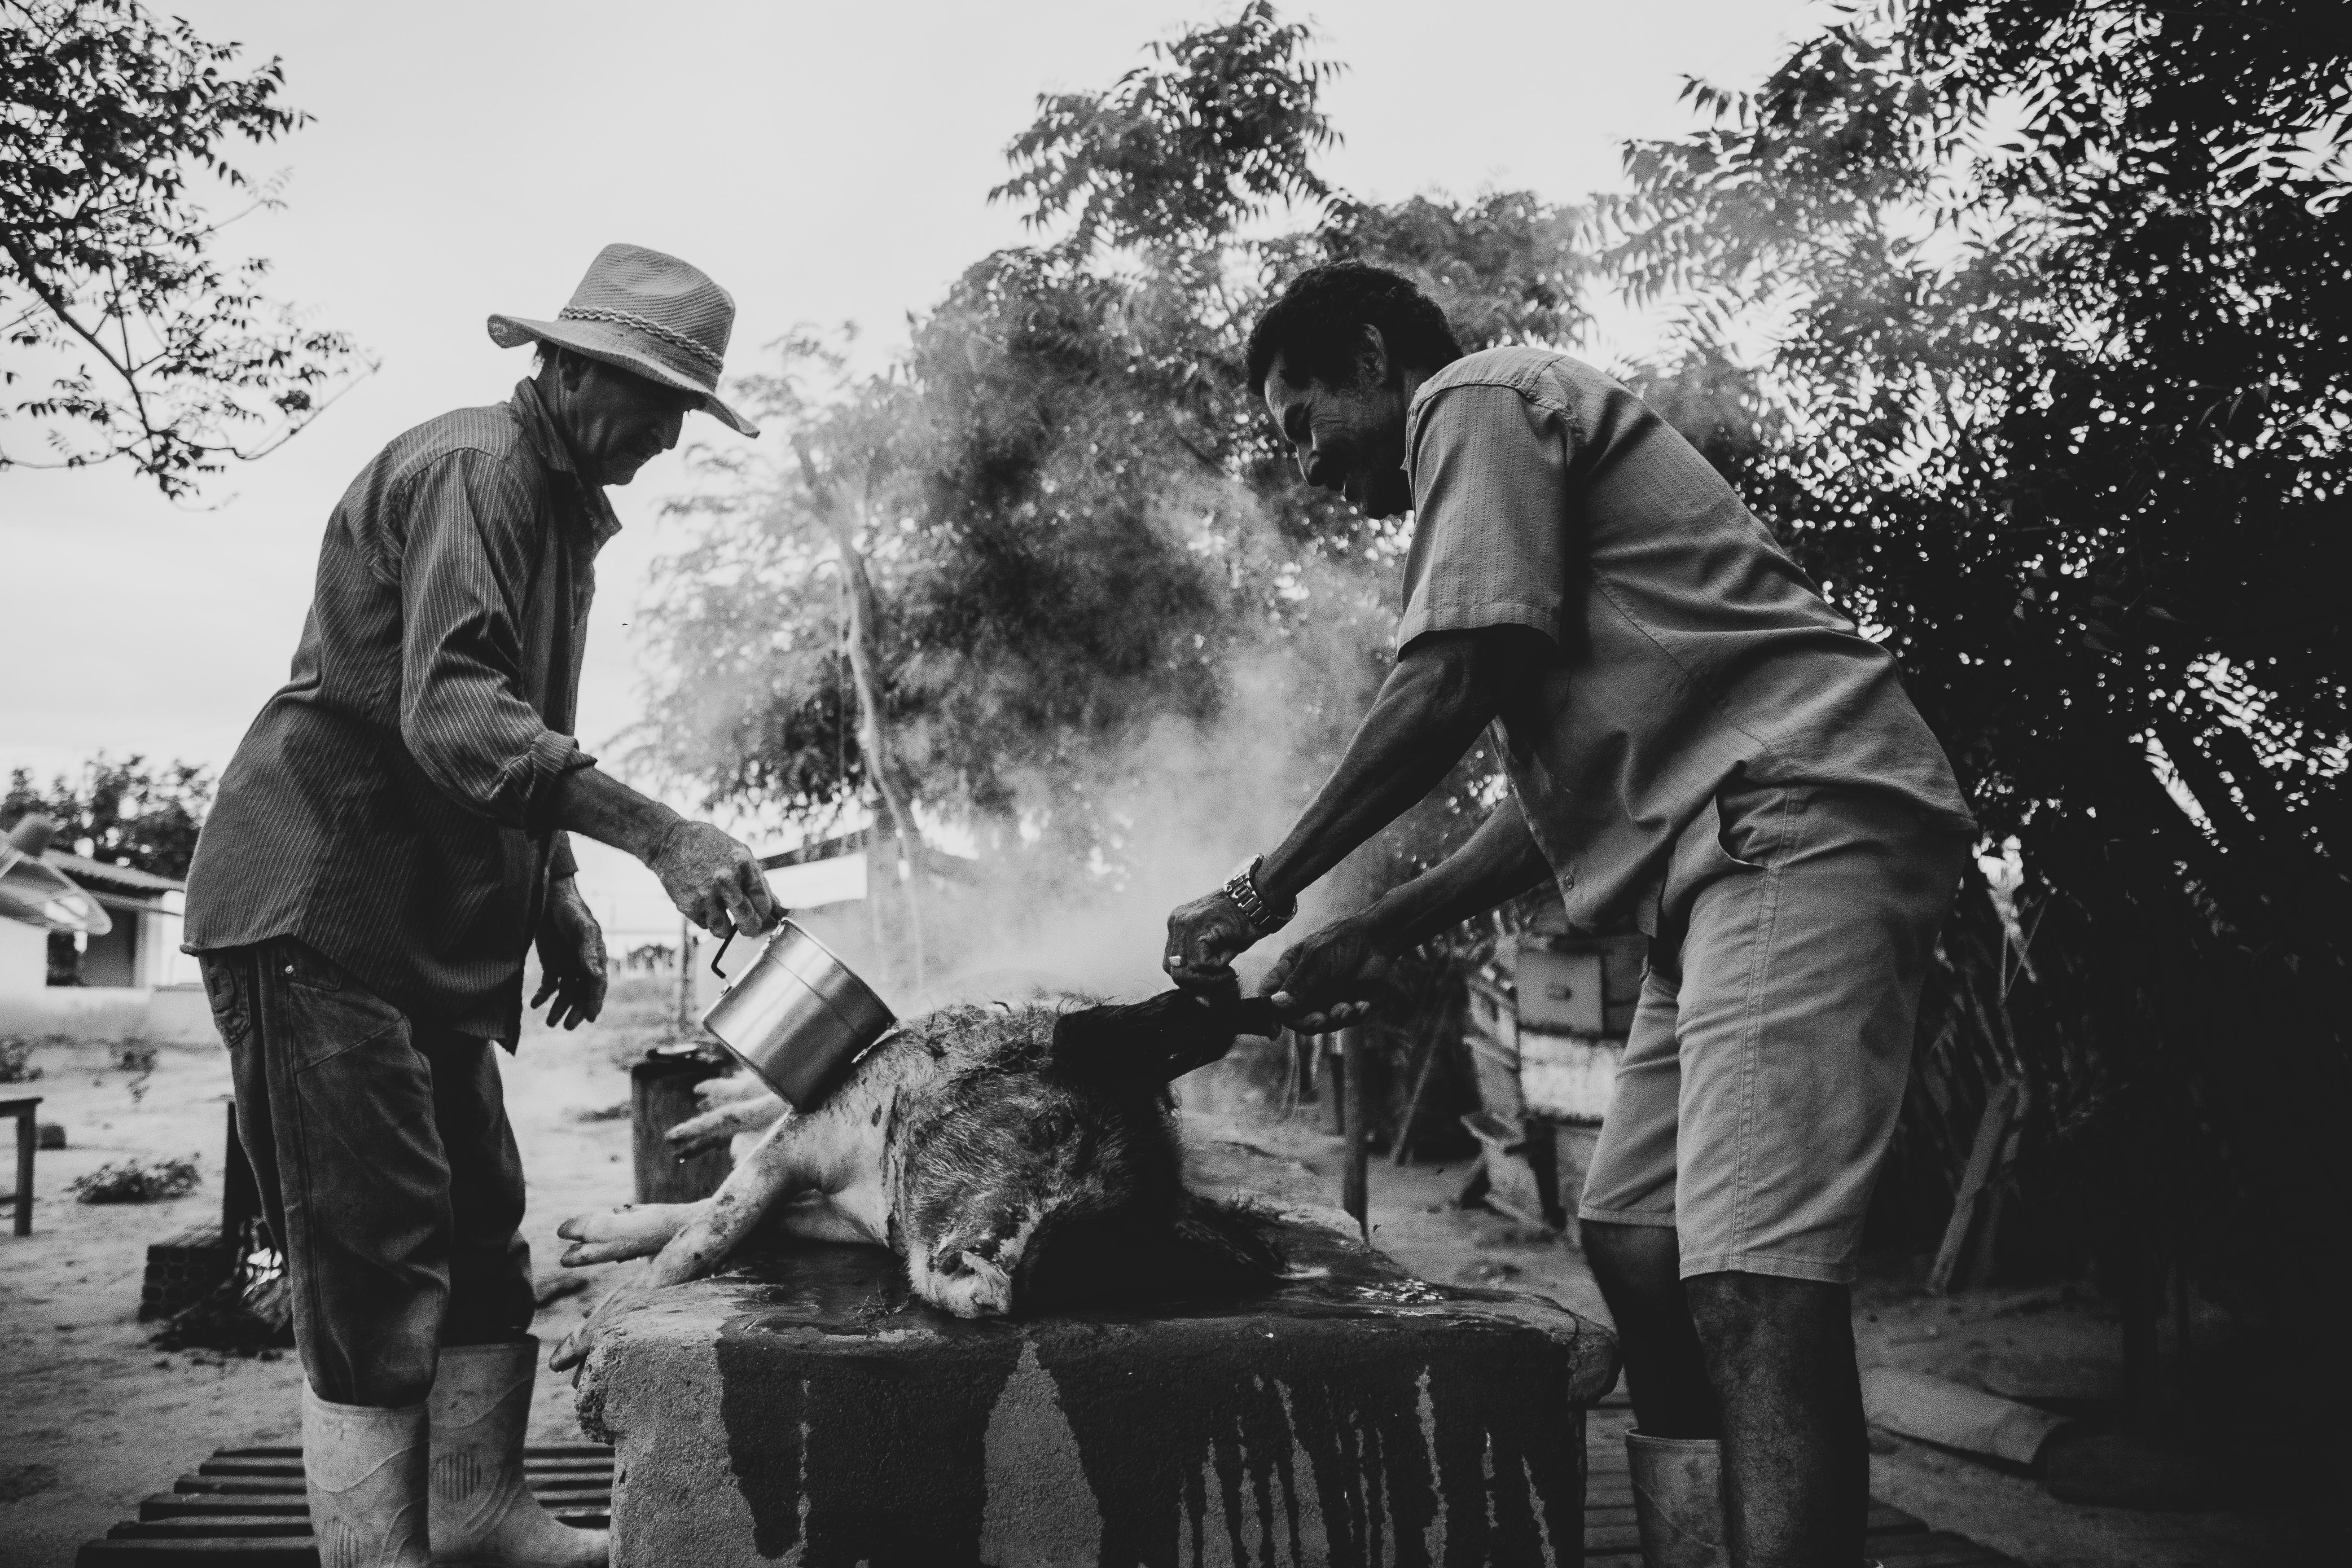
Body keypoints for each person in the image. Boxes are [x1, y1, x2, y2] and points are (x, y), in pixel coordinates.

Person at [1163, 263, 1976, 1568]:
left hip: (1794, 814)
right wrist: (1383, 924)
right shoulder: (1510, 487)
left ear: (1374, 356)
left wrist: (1264, 890)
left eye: (1304, 421)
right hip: (1710, 867)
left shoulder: (1475, 399)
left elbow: (1448, 681)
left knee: (1750, 1275)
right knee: (1640, 1238)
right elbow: (1546, 812)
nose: (1306, 466)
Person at [182, 244, 780, 1568]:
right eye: (662, 404)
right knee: (376, 1249)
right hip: (322, 904)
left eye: (689, 410)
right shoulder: (478, 470)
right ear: (573, 371)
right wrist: (660, 836)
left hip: (427, 923)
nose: (673, 438)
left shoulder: (557, 510)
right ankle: (377, 1554)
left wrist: (557, 886)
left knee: (476, 1225)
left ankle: (474, 1514)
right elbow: (456, 717)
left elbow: (518, 714)